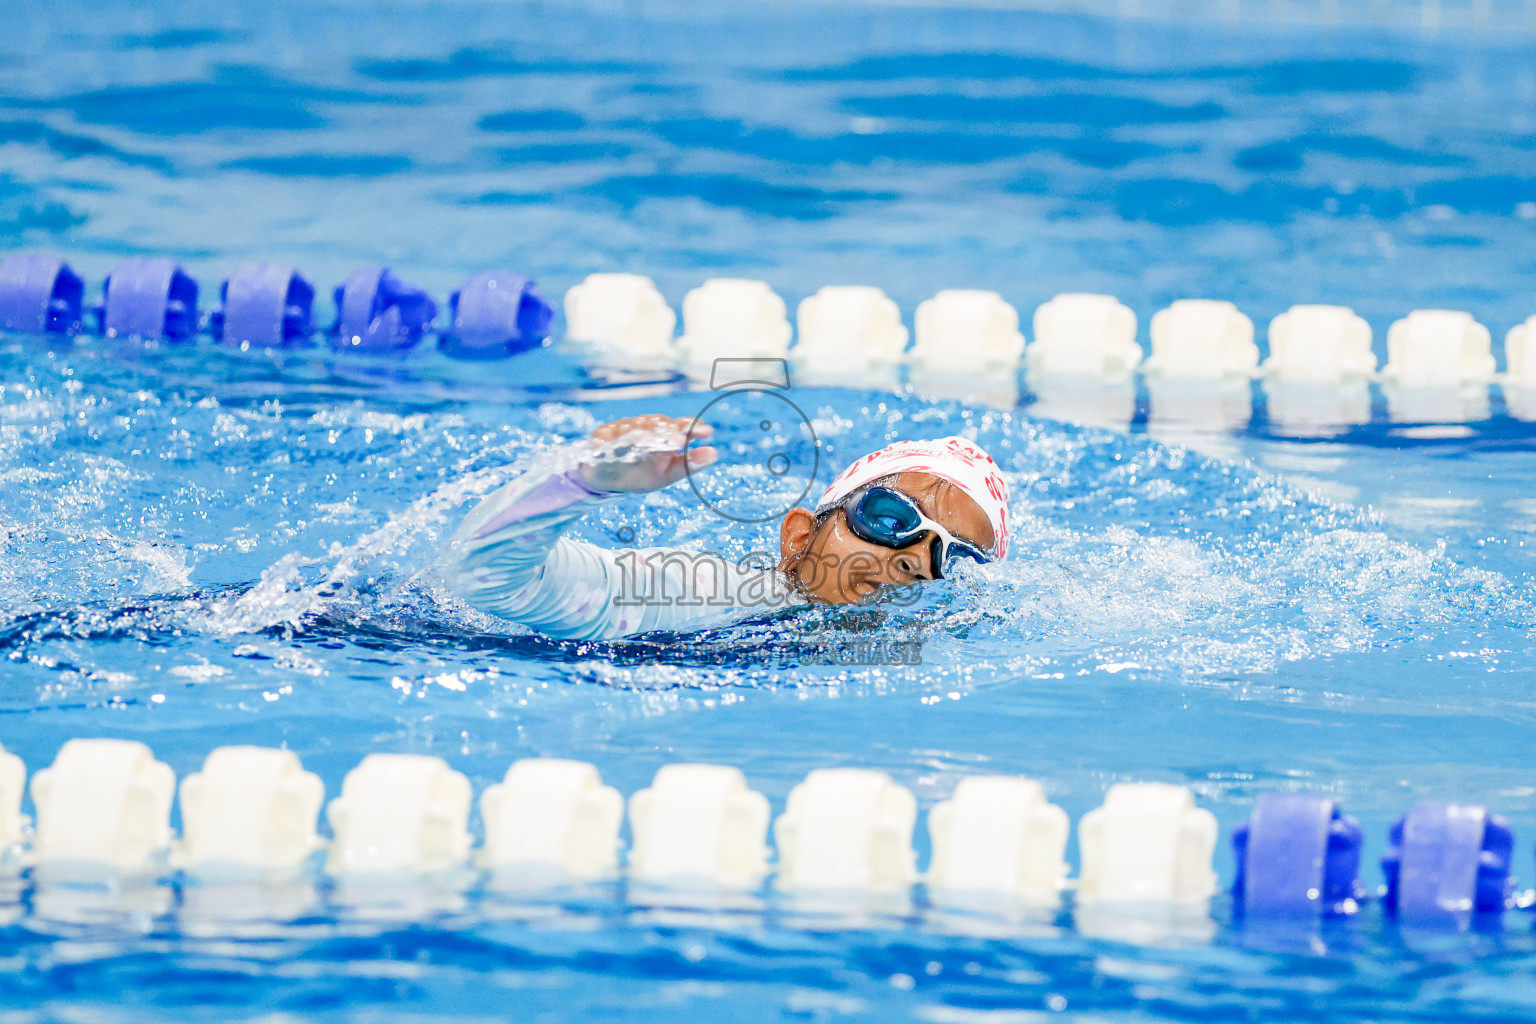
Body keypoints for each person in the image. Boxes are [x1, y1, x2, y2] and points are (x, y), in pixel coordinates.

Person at [443, 414, 1010, 641]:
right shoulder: (706, 594)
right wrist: (586, 480)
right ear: (797, 539)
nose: (918, 558)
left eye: (955, 559)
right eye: (889, 518)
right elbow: (487, 579)